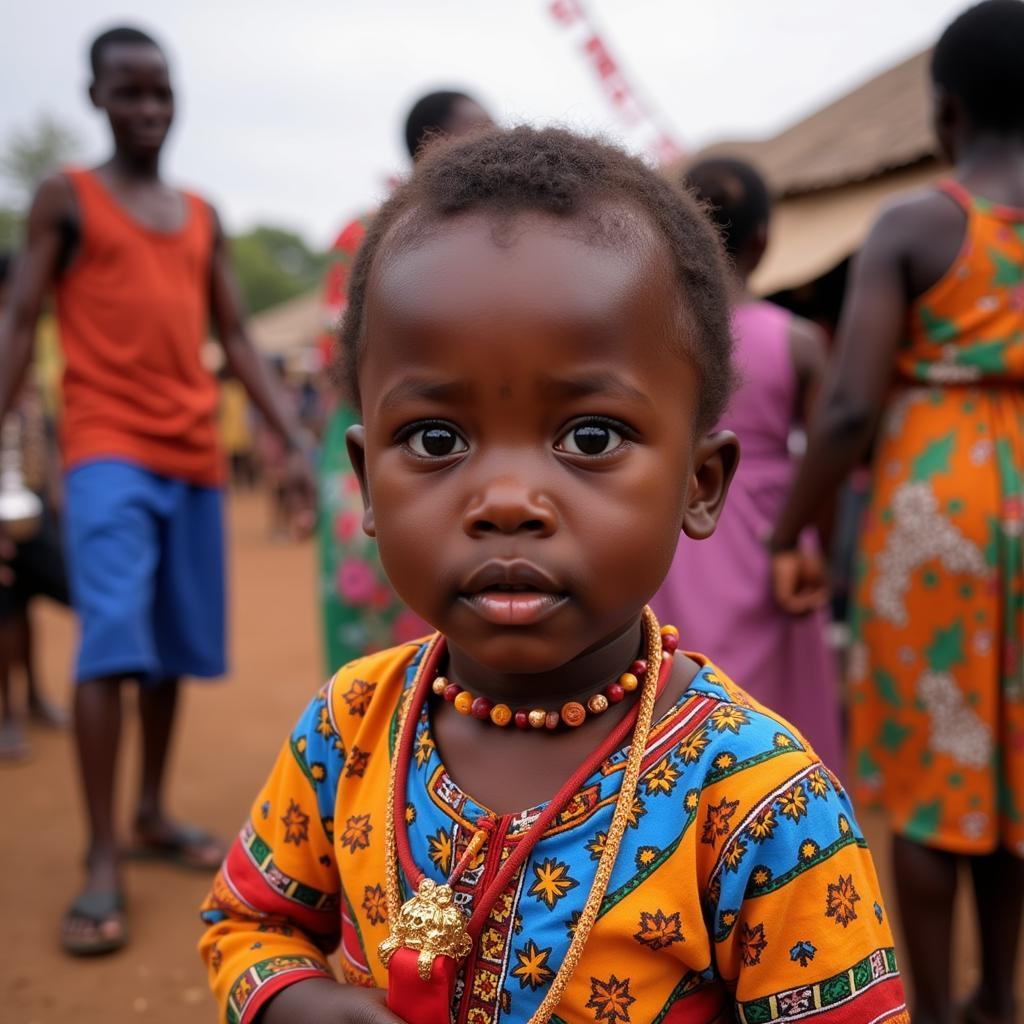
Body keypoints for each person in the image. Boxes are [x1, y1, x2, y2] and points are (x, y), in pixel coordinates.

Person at [199, 127, 908, 1024]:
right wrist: (298, 1003)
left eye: (590, 437)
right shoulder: (349, 727)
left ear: (699, 484)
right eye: (435, 439)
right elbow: (246, 921)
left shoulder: (761, 800)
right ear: (367, 478)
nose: (506, 502)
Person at [0, 26, 316, 955]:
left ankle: (147, 812)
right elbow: (19, 320)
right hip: (106, 450)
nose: (148, 110)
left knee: (171, 650)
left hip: (192, 459)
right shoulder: (68, 197)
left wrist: (288, 433)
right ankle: (101, 853)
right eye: (128, 93)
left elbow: (241, 337)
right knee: (111, 643)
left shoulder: (201, 213)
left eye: (161, 93)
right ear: (96, 98)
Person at [769, 3, 1024, 1021]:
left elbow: (844, 409)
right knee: (1011, 784)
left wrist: (788, 528)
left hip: (938, 519)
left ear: (945, 113)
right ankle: (999, 999)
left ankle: (930, 1008)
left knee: (933, 778)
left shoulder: (921, 222)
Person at [651, 157, 842, 772]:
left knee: (677, 698)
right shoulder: (798, 340)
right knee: (782, 710)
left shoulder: (657, 342)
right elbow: (829, 453)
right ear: (764, 239)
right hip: (774, 533)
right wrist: (819, 546)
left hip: (680, 531)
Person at [317, 91, 491, 670]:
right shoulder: (366, 235)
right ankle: (369, 741)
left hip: (482, 437)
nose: (494, 145)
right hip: (382, 432)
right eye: (478, 133)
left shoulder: (504, 235)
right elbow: (338, 356)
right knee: (373, 586)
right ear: (429, 147)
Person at [0, 252, 70, 760]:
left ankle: (34, 699)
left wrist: (56, 486)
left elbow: (42, 421)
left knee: (25, 605)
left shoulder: (33, 342)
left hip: (33, 502)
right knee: (5, 610)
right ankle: (7, 716)